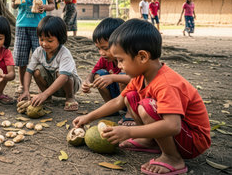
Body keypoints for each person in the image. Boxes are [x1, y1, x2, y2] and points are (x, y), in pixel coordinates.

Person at [73, 19, 210, 175]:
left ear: (143, 57)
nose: (118, 66)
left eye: (121, 60)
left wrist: (129, 132)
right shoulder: (140, 76)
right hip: (177, 134)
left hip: (192, 141)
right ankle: (150, 141)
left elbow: (173, 126)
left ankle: (172, 158)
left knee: (146, 106)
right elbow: (118, 101)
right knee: (131, 97)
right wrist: (88, 117)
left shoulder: (166, 84)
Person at [10, 0, 55, 97]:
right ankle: (22, 85)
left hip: (39, 29)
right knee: (21, 59)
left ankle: (45, 86)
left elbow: (52, 4)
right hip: (22, 26)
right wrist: (13, 2)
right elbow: (15, 7)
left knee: (42, 59)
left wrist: (45, 7)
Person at [18, 16, 81, 111]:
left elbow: (64, 77)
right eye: (41, 39)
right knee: (37, 70)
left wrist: (44, 94)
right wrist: (26, 91)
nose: (44, 44)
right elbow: (28, 71)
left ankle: (70, 97)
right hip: (52, 86)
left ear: (60, 39)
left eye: (49, 40)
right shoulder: (38, 52)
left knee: (61, 73)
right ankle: (47, 98)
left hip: (70, 85)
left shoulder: (64, 54)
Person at [80, 18, 134, 126]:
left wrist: (113, 77)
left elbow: (134, 79)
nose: (102, 53)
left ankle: (130, 113)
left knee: (122, 77)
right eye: (98, 49)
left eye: (105, 48)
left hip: (132, 100)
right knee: (98, 75)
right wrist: (87, 82)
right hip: (117, 98)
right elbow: (93, 73)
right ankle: (111, 108)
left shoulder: (129, 59)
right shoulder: (104, 60)